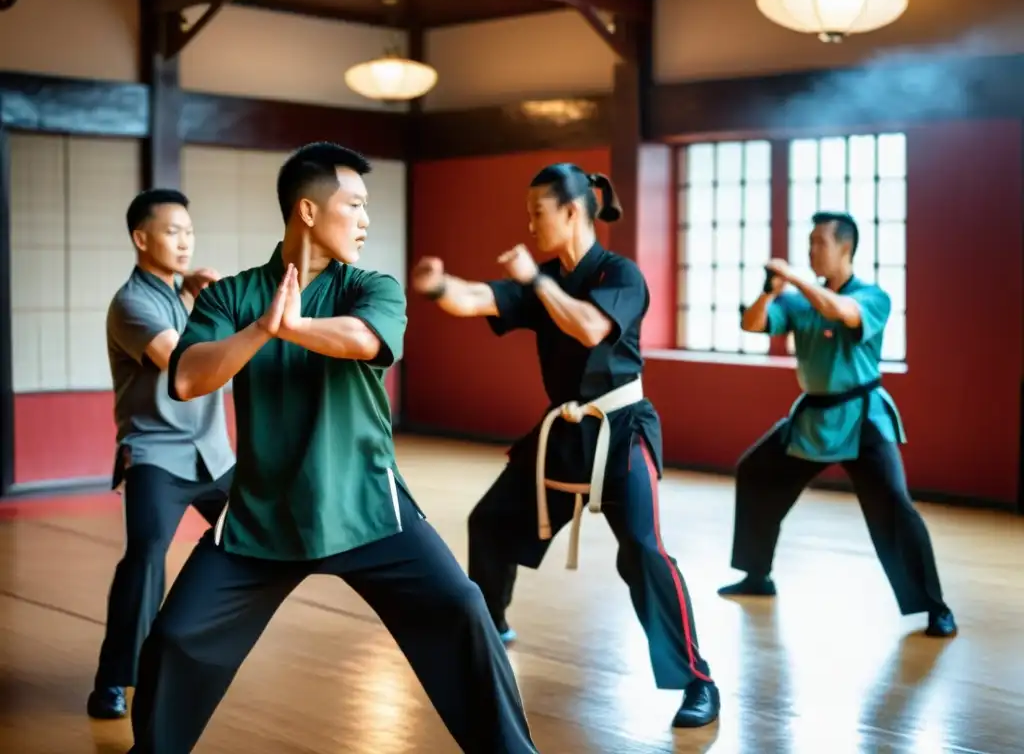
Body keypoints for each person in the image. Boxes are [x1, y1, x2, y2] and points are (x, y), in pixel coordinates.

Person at [127, 142, 537, 754]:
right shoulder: (231, 297)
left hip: (368, 507)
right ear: (308, 212)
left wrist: (292, 327)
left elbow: (365, 340)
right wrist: (261, 329)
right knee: (177, 638)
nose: (367, 219)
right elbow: (188, 378)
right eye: (355, 204)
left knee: (461, 608)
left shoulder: (374, 288)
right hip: (262, 517)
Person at [411, 163, 720, 730]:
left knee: (645, 552)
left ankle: (697, 681)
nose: (529, 224)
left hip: (622, 428)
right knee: (491, 524)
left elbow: (588, 329)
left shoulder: (619, 274)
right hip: (563, 431)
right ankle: (491, 630)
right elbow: (478, 296)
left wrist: (537, 282)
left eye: (537, 213)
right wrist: (437, 286)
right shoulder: (542, 278)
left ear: (572, 212)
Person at [718, 210, 957, 639]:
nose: (811, 250)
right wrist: (768, 293)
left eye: (819, 243)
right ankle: (757, 575)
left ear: (845, 248)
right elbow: (751, 324)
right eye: (809, 242)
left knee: (894, 506)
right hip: (812, 415)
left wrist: (792, 279)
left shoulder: (872, 296)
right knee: (756, 472)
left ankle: (934, 607)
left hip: (862, 416)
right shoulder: (797, 302)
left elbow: (840, 310)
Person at [88, 189, 234, 720]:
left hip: (213, 455)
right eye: (173, 231)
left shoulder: (178, 294)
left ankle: (191, 642)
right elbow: (183, 366)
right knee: (146, 556)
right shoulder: (133, 303)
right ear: (141, 238)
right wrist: (225, 312)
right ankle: (113, 680)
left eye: (189, 231)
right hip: (157, 455)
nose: (184, 240)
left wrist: (204, 299)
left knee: (258, 535)